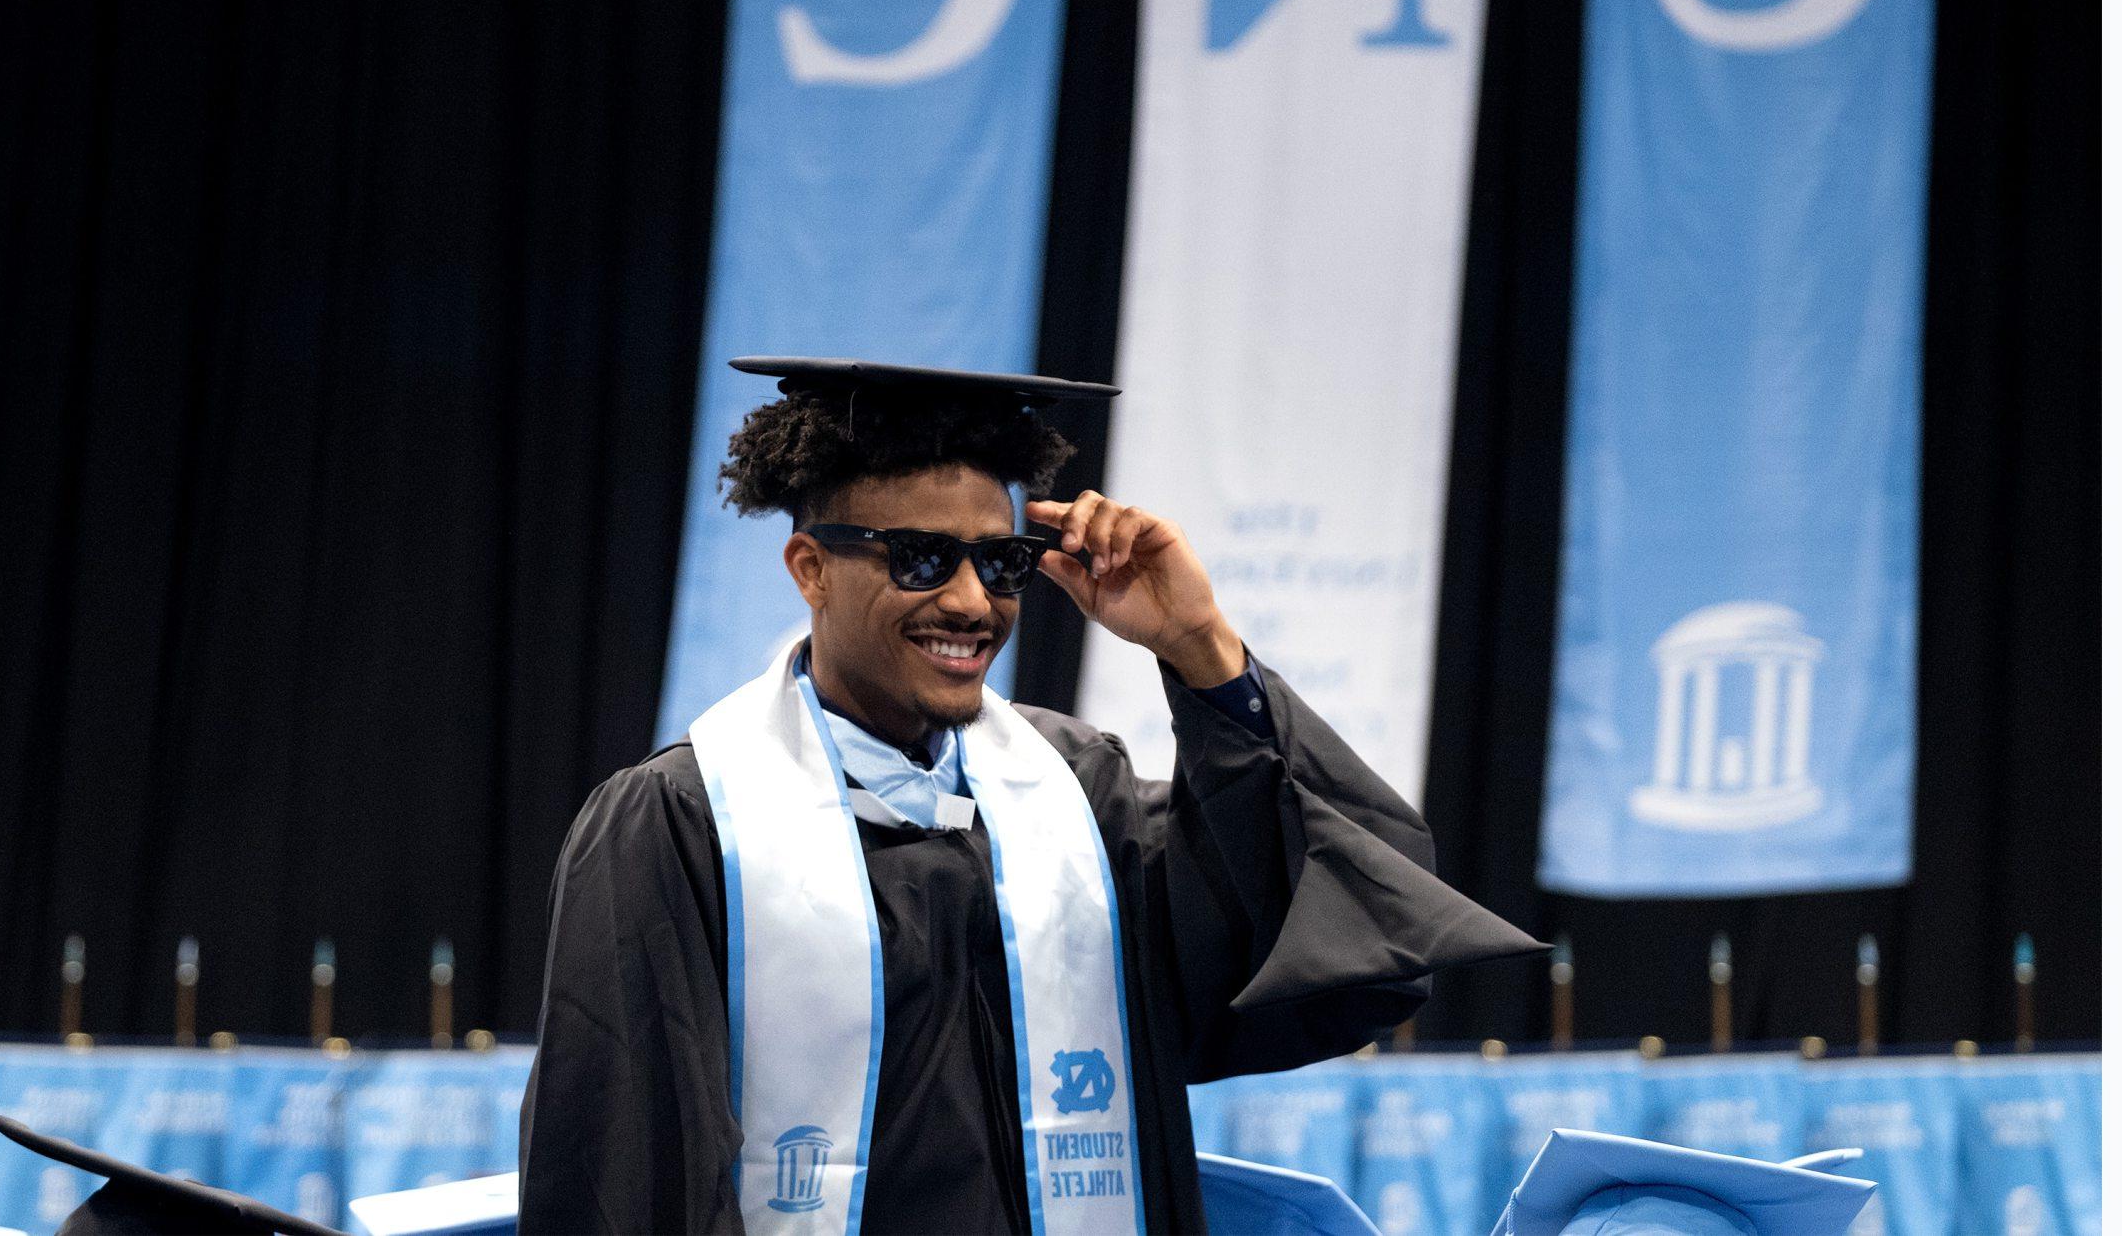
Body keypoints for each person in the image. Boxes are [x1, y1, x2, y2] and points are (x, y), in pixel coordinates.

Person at [518, 358, 1542, 1236]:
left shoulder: (1074, 797)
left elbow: (1335, 920)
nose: (969, 601)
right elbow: (621, 1168)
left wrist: (1200, 649)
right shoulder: (688, 821)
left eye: (999, 561)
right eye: (921, 557)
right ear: (809, 569)